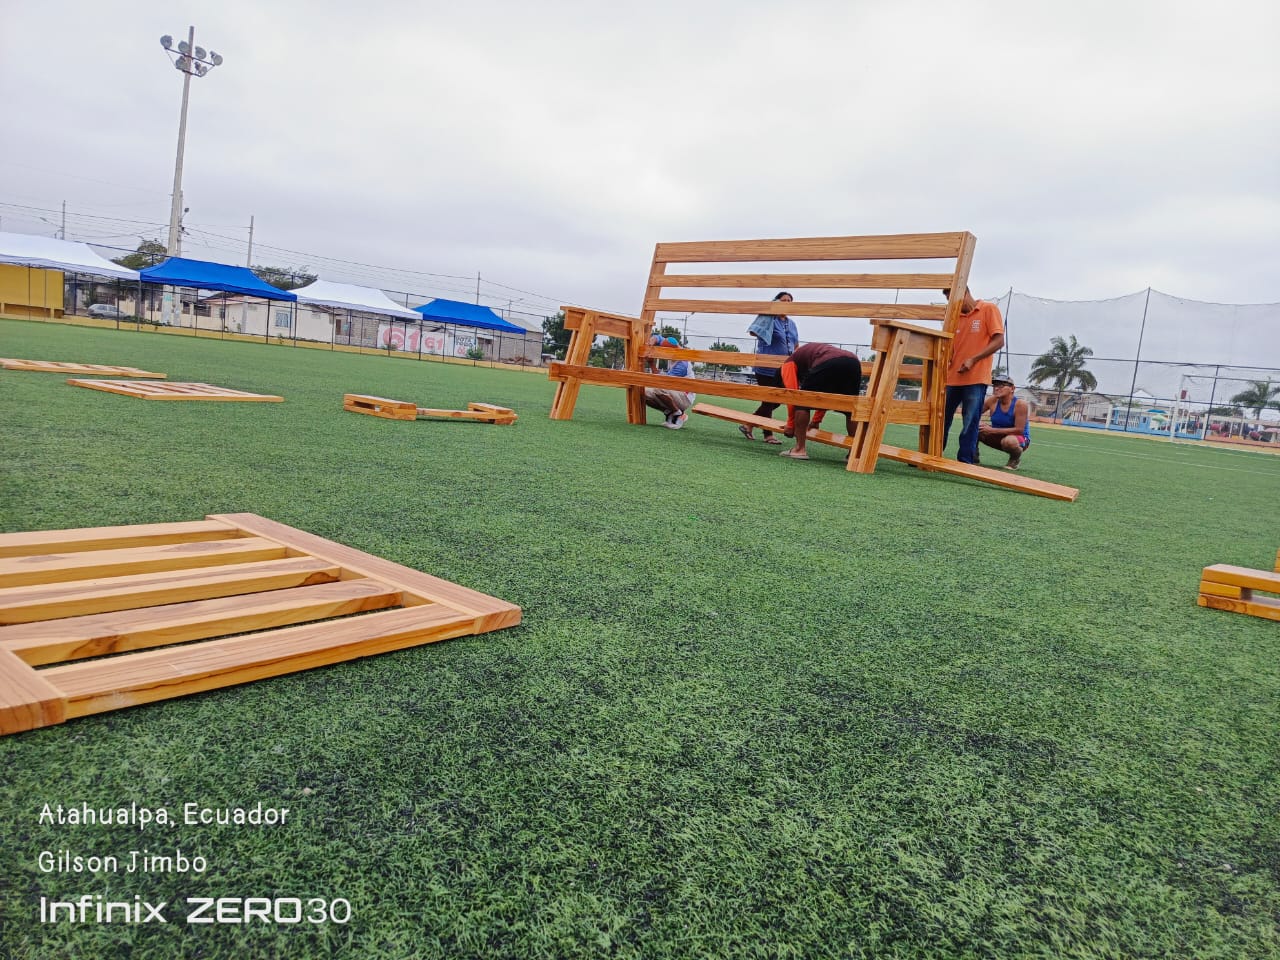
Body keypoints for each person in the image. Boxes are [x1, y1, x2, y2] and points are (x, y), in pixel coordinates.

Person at [942, 287, 1005, 464]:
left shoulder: (988, 309)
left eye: (953, 299)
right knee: (941, 418)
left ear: (965, 293)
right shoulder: (953, 317)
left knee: (970, 421)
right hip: (951, 378)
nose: (951, 304)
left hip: (976, 378)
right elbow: (949, 347)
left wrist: (973, 359)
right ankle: (932, 453)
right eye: (948, 300)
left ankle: (965, 460)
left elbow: (999, 340)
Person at [776, 342, 864, 460]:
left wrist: (791, 424)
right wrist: (816, 421)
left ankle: (799, 449)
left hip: (828, 361)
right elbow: (823, 397)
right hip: (853, 362)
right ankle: (854, 454)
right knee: (850, 409)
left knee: (802, 403)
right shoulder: (808, 357)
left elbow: (793, 395)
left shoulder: (787, 364)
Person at [739, 291, 799, 444]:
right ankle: (768, 435)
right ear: (776, 302)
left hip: (784, 369)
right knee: (769, 400)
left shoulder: (792, 324)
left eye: (790, 301)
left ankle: (749, 424)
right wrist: (769, 313)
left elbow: (796, 345)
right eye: (784, 300)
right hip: (766, 367)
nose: (787, 303)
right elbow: (754, 331)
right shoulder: (769, 319)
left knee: (778, 400)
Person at [643, 334, 696, 429]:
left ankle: (679, 414)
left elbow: (663, 383)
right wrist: (650, 344)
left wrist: (651, 364)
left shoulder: (682, 364)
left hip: (685, 397)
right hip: (674, 391)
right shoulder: (672, 346)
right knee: (643, 392)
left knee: (659, 389)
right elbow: (658, 338)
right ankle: (669, 413)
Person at [978, 374, 1030, 469]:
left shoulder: (1020, 404)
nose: (996, 388)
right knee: (974, 428)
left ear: (1012, 388)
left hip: (1018, 439)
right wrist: (978, 423)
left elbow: (1019, 430)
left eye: (1001, 385)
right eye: (995, 385)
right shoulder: (992, 400)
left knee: (1009, 441)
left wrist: (991, 430)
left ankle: (1014, 459)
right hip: (997, 435)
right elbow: (975, 413)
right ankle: (973, 456)